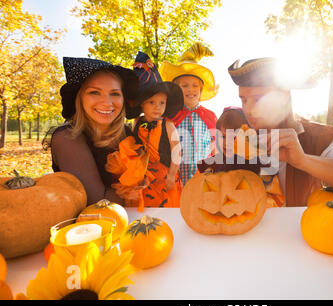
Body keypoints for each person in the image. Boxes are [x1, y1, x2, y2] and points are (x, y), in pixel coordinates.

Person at [228, 57, 333, 210]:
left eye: (258, 99)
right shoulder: (240, 139)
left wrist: (303, 161)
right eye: (244, 100)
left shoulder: (317, 136)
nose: (249, 110)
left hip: (303, 233)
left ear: (283, 97)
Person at [48, 57, 139, 206]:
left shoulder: (127, 133)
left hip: (142, 221)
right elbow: (98, 202)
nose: (107, 102)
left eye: (115, 93)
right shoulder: (67, 138)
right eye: (95, 92)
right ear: (80, 97)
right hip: (92, 226)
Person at [105, 51, 184, 211]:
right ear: (141, 104)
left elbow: (177, 152)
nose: (158, 107)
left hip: (164, 174)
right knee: (145, 207)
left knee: (168, 206)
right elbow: (135, 144)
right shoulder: (138, 122)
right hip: (145, 175)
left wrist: (171, 175)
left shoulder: (168, 125)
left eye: (162, 103)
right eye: (152, 102)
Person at [197, 107, 285, 208]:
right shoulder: (212, 166)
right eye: (223, 137)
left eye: (233, 137)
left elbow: (273, 202)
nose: (226, 143)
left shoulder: (263, 166)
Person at [159, 42, 218, 186]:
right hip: (177, 175)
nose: (190, 90)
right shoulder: (171, 116)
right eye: (184, 86)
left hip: (204, 176)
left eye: (195, 85)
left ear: (201, 89)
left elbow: (214, 145)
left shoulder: (209, 116)